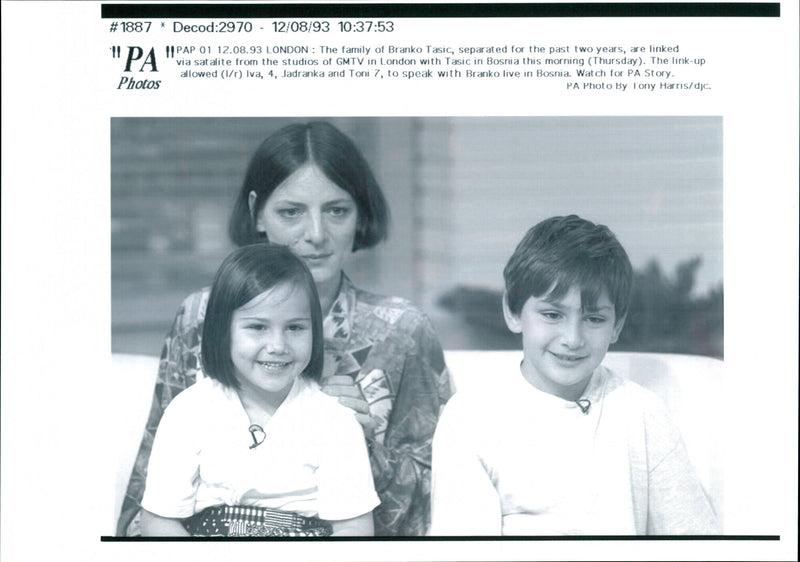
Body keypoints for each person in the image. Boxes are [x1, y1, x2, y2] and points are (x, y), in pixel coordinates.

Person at [119, 121, 452, 537]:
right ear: (258, 212)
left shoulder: (403, 331)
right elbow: (144, 497)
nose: (316, 235)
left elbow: (441, 503)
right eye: (291, 212)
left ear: (360, 214)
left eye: (337, 210)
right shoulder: (201, 316)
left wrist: (365, 447)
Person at [430, 215, 720, 535]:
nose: (573, 338)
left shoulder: (643, 415)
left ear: (617, 325)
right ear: (513, 313)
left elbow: (696, 539)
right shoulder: (471, 418)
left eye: (594, 319)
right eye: (552, 314)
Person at [141, 244, 379, 536]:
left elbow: (354, 528)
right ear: (222, 331)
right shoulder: (189, 411)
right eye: (257, 327)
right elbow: (158, 520)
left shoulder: (334, 418)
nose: (278, 346)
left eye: (295, 328)